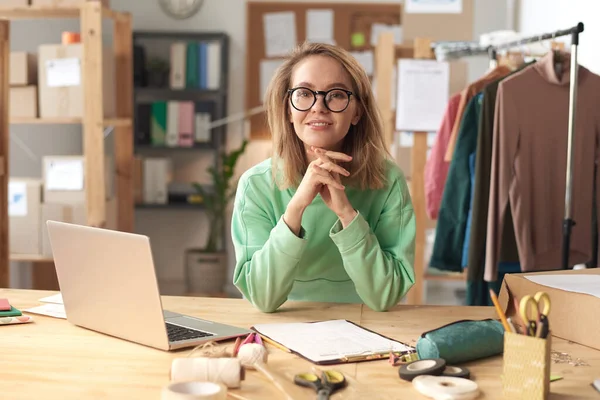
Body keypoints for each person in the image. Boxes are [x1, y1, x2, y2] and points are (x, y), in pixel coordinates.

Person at [231, 42, 416, 313]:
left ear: (357, 112)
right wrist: (295, 209)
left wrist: (347, 214)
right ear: (287, 109)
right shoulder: (255, 184)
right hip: (283, 327)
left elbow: (385, 296)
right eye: (304, 93)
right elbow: (262, 298)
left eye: (336, 95)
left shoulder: (388, 180)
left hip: (367, 326)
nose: (319, 106)